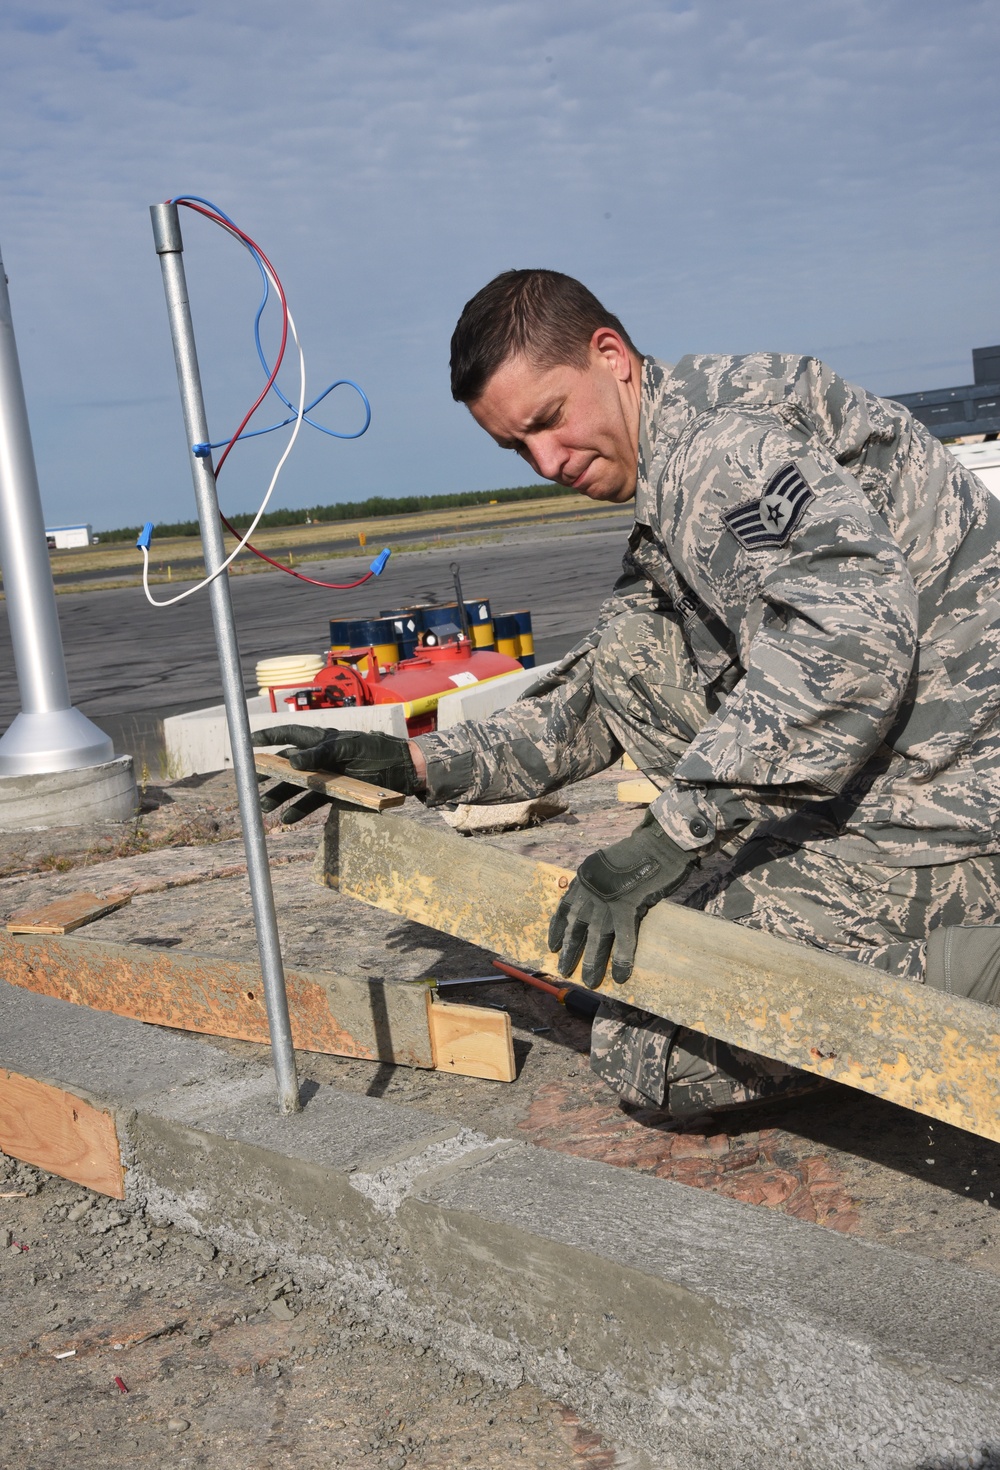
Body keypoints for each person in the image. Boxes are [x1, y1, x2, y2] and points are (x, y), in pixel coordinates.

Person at [255, 269, 1000, 1119]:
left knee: (649, 1052)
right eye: (515, 448)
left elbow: (849, 644)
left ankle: (969, 972)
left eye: (548, 421)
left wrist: (671, 836)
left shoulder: (722, 453)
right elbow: (614, 683)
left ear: (610, 354)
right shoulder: (682, 453)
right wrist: (419, 761)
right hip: (909, 784)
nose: (545, 462)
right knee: (635, 654)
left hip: (956, 824)